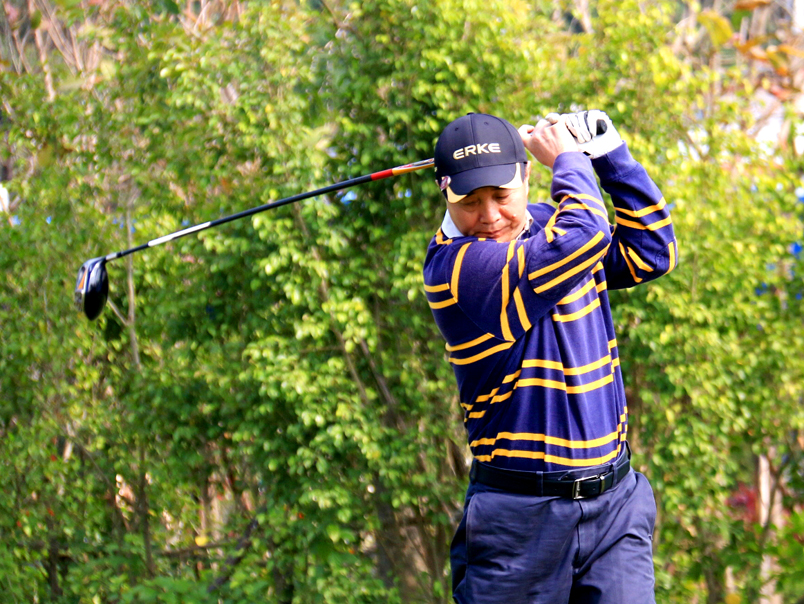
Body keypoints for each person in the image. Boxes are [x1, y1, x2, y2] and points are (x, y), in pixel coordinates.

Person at [423, 111, 678, 604]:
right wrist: (568, 158)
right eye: (470, 202)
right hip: (519, 521)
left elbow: (652, 251)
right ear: (444, 192)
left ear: (525, 175)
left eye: (501, 195)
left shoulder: (553, 227)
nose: (489, 216)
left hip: (615, 507)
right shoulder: (453, 268)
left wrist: (607, 152)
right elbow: (582, 236)